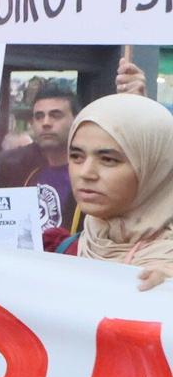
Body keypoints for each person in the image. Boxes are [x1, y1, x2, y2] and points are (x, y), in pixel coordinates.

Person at [57, 94, 173, 289]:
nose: (86, 173)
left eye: (109, 160)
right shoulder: (70, 249)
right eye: (77, 156)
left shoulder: (165, 266)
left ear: (155, 168)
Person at [0, 79, 78, 246]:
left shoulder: (90, 173)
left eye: (56, 115)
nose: (46, 123)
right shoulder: (17, 166)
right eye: (39, 116)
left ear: (76, 120)